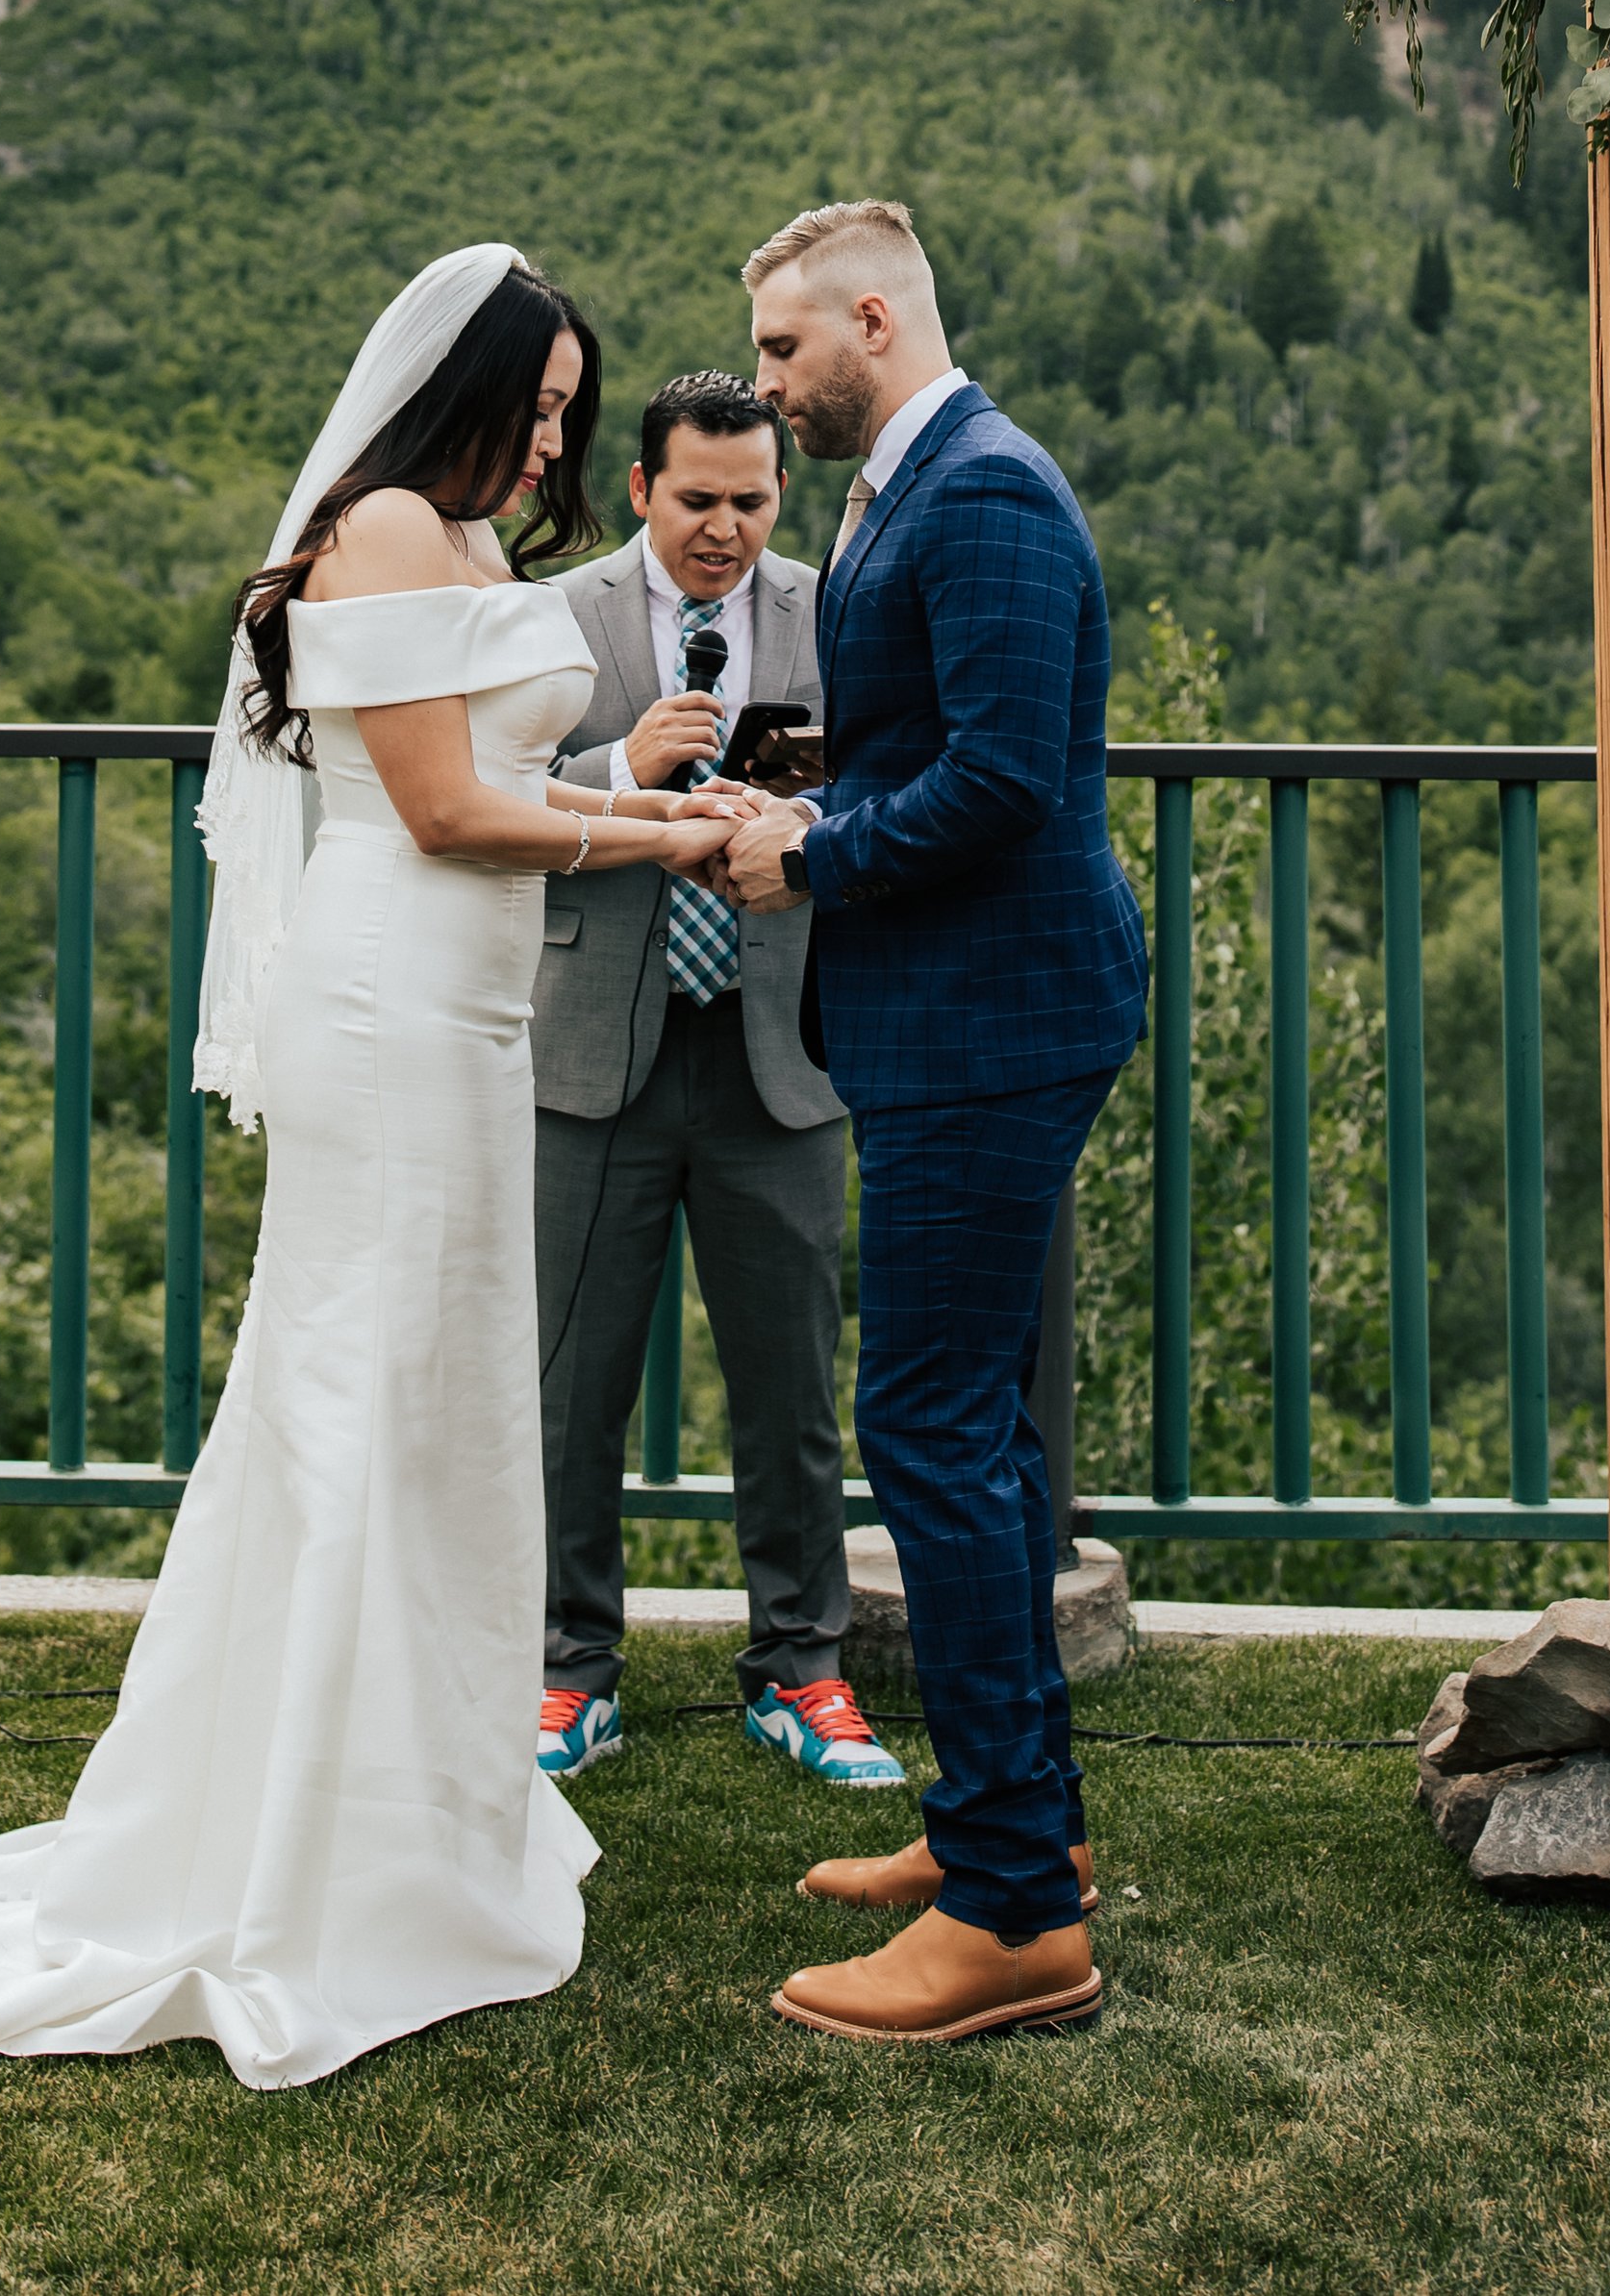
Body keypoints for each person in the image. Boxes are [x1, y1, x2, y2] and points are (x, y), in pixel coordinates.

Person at [0, 246, 753, 2096]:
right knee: (354, 1387)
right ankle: (298, 1848)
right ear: (454, 390)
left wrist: (663, 805)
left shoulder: (463, 548)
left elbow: (518, 778)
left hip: (472, 1014)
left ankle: (427, 1820)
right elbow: (444, 812)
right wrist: (658, 847)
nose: (549, 446)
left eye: (565, 420)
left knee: (447, 1405)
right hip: (382, 1003)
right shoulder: (375, 528)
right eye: (532, 410)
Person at [720, 199, 1148, 2047]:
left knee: (929, 1422)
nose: (764, 387)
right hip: (955, 1010)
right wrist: (805, 777)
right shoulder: (908, 478)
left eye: (780, 353)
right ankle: (1002, 1828)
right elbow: (942, 735)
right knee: (967, 1422)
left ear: (872, 318)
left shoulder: (976, 488)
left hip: (993, 1016)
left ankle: (1014, 1913)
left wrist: (806, 845)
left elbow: (1000, 779)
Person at [532, 370, 902, 1795]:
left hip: (779, 1049)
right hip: (588, 1053)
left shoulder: (832, 609)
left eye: (752, 501)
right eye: (697, 500)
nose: (725, 529)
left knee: (791, 1385)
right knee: (570, 1389)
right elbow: (485, 789)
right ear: (640, 490)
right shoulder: (555, 614)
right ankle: (568, 1675)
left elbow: (887, 780)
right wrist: (620, 765)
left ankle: (802, 1671)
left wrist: (800, 817)